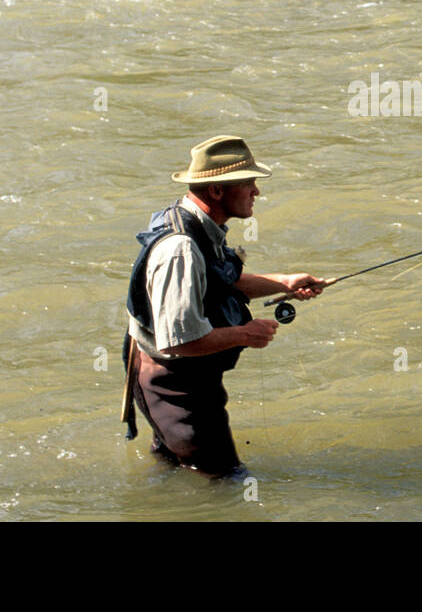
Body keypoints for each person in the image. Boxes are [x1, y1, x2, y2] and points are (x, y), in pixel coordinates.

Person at [120, 135, 323, 478]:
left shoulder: (199, 226)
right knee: (225, 480)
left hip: (183, 374)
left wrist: (285, 283)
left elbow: (223, 281)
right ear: (216, 191)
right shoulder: (180, 249)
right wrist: (245, 334)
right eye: (248, 183)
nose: (256, 192)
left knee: (178, 467)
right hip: (172, 381)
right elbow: (179, 341)